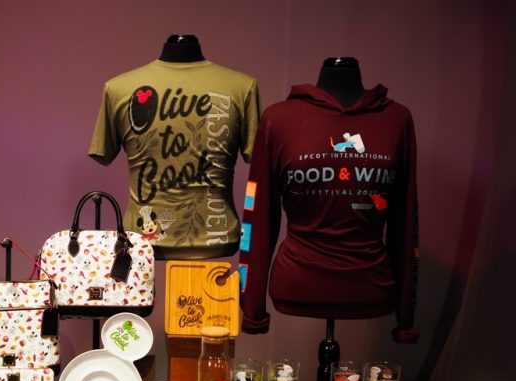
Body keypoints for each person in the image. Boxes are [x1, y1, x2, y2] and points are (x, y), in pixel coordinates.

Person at [238, 58, 419, 343]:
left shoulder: (397, 120)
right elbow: (257, 216)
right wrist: (252, 308)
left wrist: (406, 318)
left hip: (370, 286)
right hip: (298, 283)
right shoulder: (278, 119)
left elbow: (405, 221)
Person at [89, 36, 260, 260]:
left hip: (200, 243)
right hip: (158, 244)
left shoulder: (244, 88)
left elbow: (104, 153)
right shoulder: (116, 89)